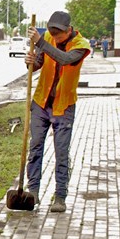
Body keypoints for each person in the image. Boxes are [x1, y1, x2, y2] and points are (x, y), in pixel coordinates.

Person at [24, 11, 90, 212]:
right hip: (41, 103)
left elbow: (64, 59)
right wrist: (31, 62)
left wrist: (42, 44)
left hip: (64, 106)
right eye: (52, 35)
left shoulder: (81, 45)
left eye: (59, 35)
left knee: (61, 152)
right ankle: (32, 192)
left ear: (69, 30)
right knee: (35, 147)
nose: (55, 38)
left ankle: (60, 196)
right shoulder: (46, 38)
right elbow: (40, 63)